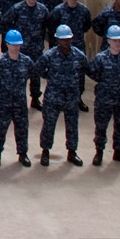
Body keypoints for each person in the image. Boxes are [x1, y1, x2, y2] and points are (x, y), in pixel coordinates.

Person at [36, 25, 86, 166]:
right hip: (53, 97)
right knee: (49, 125)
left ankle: (72, 152)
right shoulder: (49, 56)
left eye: (68, 39)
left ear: (71, 38)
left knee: (72, 126)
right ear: (57, 40)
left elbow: (84, 70)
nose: (65, 42)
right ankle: (45, 151)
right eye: (62, 40)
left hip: (71, 98)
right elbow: (38, 69)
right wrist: (50, 77)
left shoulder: (78, 55)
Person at [87, 25, 120, 165]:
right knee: (101, 126)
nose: (117, 43)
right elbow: (93, 73)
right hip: (104, 99)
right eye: (114, 40)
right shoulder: (100, 58)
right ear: (108, 41)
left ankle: (119, 151)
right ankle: (99, 152)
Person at [0, 31, 34, 168]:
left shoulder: (26, 61)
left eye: (18, 45)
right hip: (4, 102)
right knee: (0, 129)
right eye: (13, 44)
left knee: (22, 128)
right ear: (7, 44)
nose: (15, 47)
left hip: (20, 102)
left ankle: (22, 153)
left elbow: (32, 75)